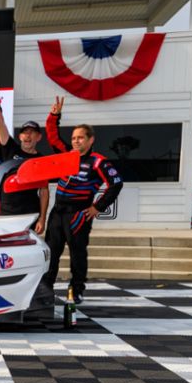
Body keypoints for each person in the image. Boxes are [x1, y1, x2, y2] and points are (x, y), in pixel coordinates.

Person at [42, 96, 123, 303]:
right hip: (58, 212)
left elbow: (116, 184)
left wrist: (97, 207)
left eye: (80, 138)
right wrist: (54, 116)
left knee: (77, 254)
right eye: (74, 138)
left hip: (79, 214)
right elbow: (52, 137)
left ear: (90, 140)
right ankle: (46, 288)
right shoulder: (67, 155)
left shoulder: (98, 162)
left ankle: (76, 290)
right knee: (51, 252)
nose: (76, 141)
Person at [0, 80, 49, 234]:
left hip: (30, 215)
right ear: (20, 136)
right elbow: (0, 124)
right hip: (6, 214)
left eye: (32, 133)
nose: (28, 135)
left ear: (38, 137)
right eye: (25, 132)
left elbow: (44, 192)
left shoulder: (41, 159)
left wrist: (42, 218)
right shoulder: (10, 147)